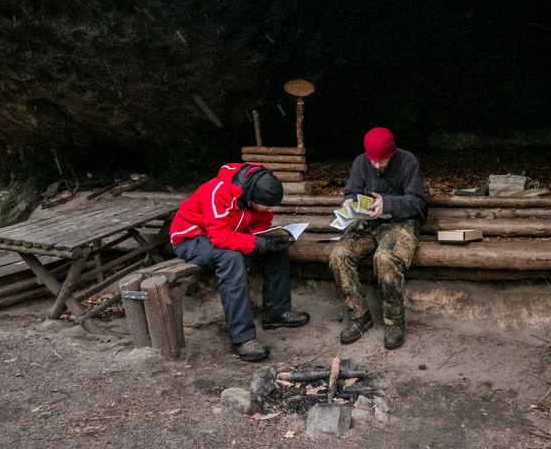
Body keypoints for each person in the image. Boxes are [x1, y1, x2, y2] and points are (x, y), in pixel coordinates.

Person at [169, 162, 309, 361]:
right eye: (266, 205)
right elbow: (219, 238)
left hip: (227, 233)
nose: (269, 209)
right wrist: (255, 243)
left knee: (277, 248)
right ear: (250, 197)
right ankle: (242, 338)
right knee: (231, 258)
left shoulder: (258, 190)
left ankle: (277, 312)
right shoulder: (219, 193)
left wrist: (264, 239)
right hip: (192, 239)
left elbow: (262, 221)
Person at [329, 127, 426, 349]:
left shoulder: (408, 161)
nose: (376, 165)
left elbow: (417, 202)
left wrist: (388, 203)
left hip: (401, 222)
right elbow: (351, 191)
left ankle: (394, 322)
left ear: (392, 154)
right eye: (372, 160)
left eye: (381, 161)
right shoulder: (360, 162)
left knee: (385, 258)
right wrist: (349, 202)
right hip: (368, 223)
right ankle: (359, 315)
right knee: (339, 256)